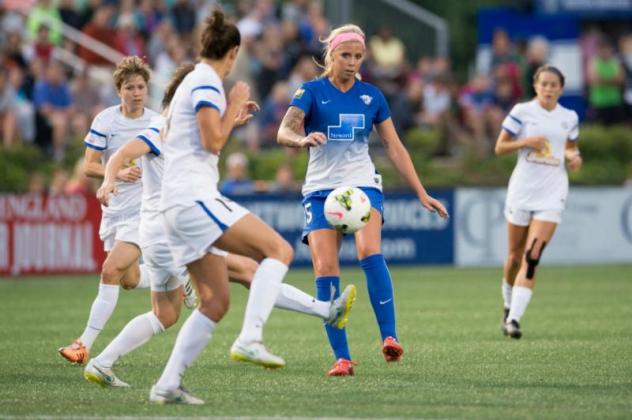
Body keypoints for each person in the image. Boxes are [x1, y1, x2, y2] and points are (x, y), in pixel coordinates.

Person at [84, 63, 355, 389]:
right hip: (168, 232)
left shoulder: (183, 128)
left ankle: (103, 363)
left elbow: (203, 150)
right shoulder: (162, 127)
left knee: (165, 315)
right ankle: (325, 310)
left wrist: (231, 122)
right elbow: (119, 156)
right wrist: (109, 181)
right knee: (249, 271)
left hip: (159, 233)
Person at [147, 10, 329, 404]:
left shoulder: (192, 82)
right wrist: (235, 104)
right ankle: (250, 338)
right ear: (232, 53)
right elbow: (213, 143)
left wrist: (232, 118)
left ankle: (167, 385)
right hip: (194, 198)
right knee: (277, 250)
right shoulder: (209, 81)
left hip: (174, 206)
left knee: (215, 301)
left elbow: (202, 140)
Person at [277, 24, 449, 376]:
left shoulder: (372, 96)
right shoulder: (310, 92)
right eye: (346, 55)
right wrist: (300, 140)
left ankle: (390, 338)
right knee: (326, 269)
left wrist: (421, 191)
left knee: (369, 251)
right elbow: (284, 130)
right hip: (321, 190)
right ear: (331, 55)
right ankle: (342, 358)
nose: (353, 62)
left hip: (361, 186)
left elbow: (394, 147)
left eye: (358, 56)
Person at [57, 56, 194, 365]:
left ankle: (83, 344)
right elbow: (89, 165)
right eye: (130, 87)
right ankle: (177, 271)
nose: (136, 92)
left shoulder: (156, 122)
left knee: (110, 270)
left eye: (141, 87)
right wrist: (114, 175)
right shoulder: (105, 120)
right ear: (118, 90)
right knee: (129, 280)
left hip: (144, 212)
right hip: (114, 210)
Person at [494, 65, 582, 339]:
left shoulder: (569, 117)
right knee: (514, 257)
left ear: (561, 89)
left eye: (554, 84)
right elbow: (500, 147)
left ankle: (515, 321)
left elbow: (569, 144)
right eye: (544, 84)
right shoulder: (522, 112)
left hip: (553, 191)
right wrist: (526, 142)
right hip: (522, 190)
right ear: (536, 86)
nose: (548, 89)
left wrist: (573, 156)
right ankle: (508, 305)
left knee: (532, 257)